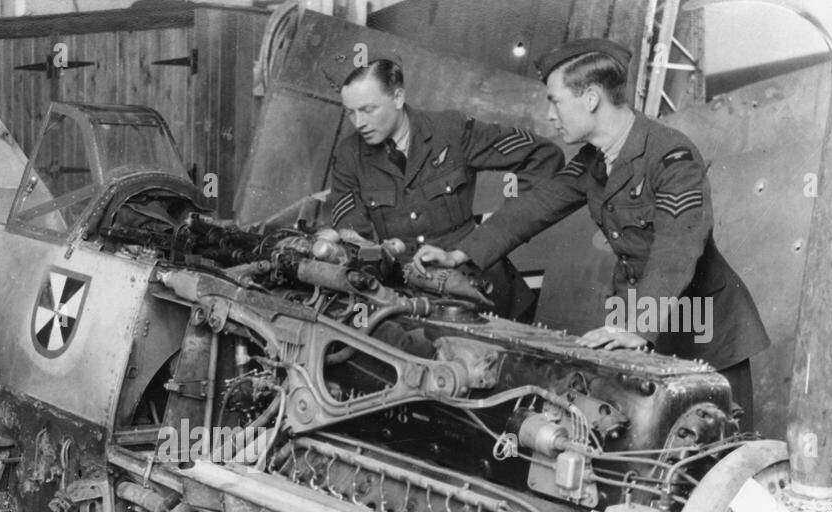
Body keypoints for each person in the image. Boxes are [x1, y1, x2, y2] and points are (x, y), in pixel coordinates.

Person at [413, 39, 768, 418]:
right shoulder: (594, 160)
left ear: (591, 99)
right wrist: (460, 252)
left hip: (701, 320)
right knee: (639, 439)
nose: (550, 114)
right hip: (637, 314)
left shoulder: (670, 155)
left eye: (555, 100)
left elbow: (677, 247)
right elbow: (536, 206)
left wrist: (636, 325)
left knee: (720, 440)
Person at [329, 59, 564, 320]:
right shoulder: (349, 155)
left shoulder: (452, 130)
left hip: (481, 288)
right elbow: (352, 233)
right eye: (350, 112)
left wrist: (495, 233)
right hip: (409, 299)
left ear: (398, 97)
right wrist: (372, 252)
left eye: (368, 109)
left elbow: (544, 156)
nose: (359, 122)